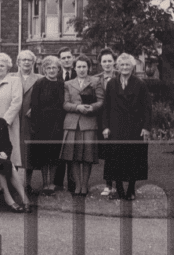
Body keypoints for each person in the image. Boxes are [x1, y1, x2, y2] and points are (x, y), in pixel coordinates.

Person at [102, 53, 152, 201]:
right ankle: (118, 189)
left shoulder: (140, 84)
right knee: (115, 158)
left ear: (132, 66)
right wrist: (105, 126)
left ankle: (131, 189)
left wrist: (146, 127)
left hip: (134, 126)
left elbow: (147, 107)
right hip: (115, 127)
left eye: (127, 65)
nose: (124, 67)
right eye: (122, 65)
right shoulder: (111, 84)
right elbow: (106, 107)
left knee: (133, 158)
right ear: (118, 66)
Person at [0, 52, 29, 207]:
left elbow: (17, 102)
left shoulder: (14, 81)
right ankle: (1, 193)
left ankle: (16, 192)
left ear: (8, 67)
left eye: (2, 65)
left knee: (10, 155)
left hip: (8, 124)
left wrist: (4, 121)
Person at [60, 54, 105, 196]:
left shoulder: (96, 81)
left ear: (88, 68)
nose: (81, 69)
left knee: (87, 156)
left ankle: (85, 185)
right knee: (72, 156)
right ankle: (77, 185)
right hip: (72, 123)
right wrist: (77, 107)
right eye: (78, 67)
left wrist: (92, 108)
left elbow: (101, 101)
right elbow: (65, 104)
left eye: (84, 67)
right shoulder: (67, 84)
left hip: (89, 123)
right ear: (75, 68)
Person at [30, 55, 66, 194]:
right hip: (42, 124)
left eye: (54, 68)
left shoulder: (62, 84)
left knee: (55, 154)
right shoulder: (39, 83)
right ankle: (45, 183)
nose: (51, 70)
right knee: (44, 155)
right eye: (49, 68)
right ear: (44, 69)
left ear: (59, 69)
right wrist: (35, 125)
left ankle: (52, 183)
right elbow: (35, 105)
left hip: (58, 123)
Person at [16, 50, 43, 195]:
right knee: (14, 150)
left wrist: (36, 110)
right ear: (18, 62)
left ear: (33, 63)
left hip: (30, 120)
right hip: (15, 119)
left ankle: (28, 183)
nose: (26, 62)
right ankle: (14, 183)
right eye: (23, 60)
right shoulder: (11, 78)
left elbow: (45, 99)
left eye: (29, 60)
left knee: (28, 151)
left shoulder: (40, 79)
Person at [94, 48, 118, 197]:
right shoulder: (96, 79)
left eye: (110, 61)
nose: (107, 64)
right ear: (100, 63)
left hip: (117, 120)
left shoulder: (121, 76)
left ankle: (118, 185)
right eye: (104, 61)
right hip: (100, 120)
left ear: (114, 62)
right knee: (107, 154)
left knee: (117, 152)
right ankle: (108, 185)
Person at [54, 46, 77, 192]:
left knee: (72, 150)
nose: (66, 60)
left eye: (68, 57)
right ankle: (57, 182)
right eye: (63, 58)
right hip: (57, 118)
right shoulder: (55, 75)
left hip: (74, 116)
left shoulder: (79, 73)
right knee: (58, 149)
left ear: (73, 58)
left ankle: (72, 182)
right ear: (59, 60)